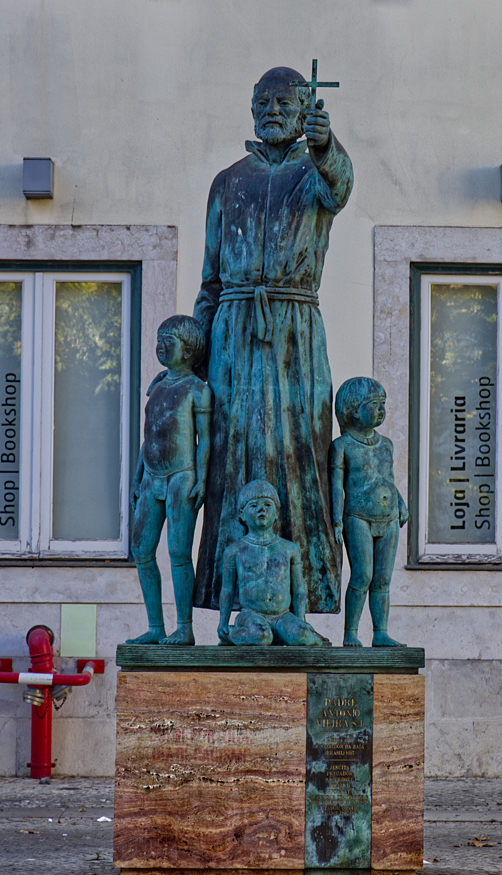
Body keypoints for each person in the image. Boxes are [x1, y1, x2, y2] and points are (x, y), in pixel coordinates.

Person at [193, 65, 353, 614]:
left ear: (305, 107)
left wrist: (326, 145)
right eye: (263, 101)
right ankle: (230, 595)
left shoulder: (315, 172)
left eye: (285, 102)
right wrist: (196, 359)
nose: (272, 111)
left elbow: (340, 186)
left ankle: (305, 593)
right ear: (251, 107)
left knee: (302, 446)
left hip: (295, 330)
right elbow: (210, 281)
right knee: (230, 449)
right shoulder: (227, 181)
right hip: (233, 331)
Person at [127, 316, 211, 645]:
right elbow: (148, 437)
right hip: (152, 475)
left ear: (188, 351)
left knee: (178, 552)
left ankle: (185, 627)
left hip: (181, 476)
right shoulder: (157, 386)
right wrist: (137, 477)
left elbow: (204, 440)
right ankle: (155, 627)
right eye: (158, 340)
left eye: (168, 342)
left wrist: (202, 478)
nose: (160, 347)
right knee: (141, 549)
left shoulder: (197, 390)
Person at [330, 378, 409, 647]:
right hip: (358, 516)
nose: (380, 410)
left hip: (389, 517)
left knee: (383, 579)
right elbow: (337, 487)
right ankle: (350, 632)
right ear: (354, 409)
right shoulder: (342, 445)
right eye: (373, 404)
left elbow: (388, 479)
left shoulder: (386, 444)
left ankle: (380, 632)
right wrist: (337, 520)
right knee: (362, 576)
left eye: (382, 404)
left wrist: (401, 503)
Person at [218, 480, 330, 646]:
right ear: (242, 514)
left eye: (267, 504)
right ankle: (231, 634)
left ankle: (287, 634)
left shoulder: (289, 548)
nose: (261, 509)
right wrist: (223, 622)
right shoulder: (234, 550)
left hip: (282, 615)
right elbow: (227, 590)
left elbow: (299, 590)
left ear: (276, 513)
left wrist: (301, 621)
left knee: (302, 635)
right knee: (261, 636)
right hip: (250, 614)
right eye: (254, 505)